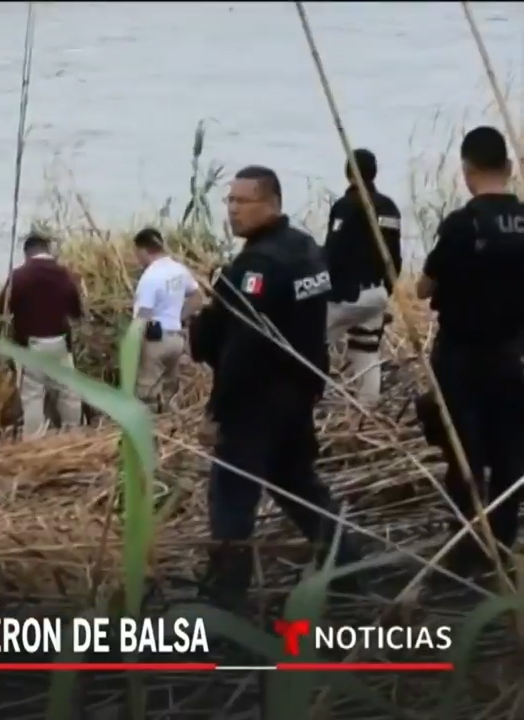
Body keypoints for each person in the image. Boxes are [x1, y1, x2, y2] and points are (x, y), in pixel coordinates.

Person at [190, 166, 360, 608]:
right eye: (228, 201)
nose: (232, 210)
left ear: (271, 203)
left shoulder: (258, 266)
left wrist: (216, 411)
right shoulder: (306, 250)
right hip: (298, 394)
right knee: (297, 483)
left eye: (242, 202)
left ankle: (225, 597)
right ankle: (346, 563)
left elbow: (241, 349)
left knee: (231, 503)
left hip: (256, 403)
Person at [415, 126, 523, 577]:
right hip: (512, 355)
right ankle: (501, 540)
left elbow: (425, 286)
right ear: (510, 168)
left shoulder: (462, 224)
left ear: (466, 171)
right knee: (510, 454)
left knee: (465, 453)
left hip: (461, 355)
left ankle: (466, 547)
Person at [324, 148, 403, 408]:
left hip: (348, 294)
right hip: (378, 293)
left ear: (348, 174)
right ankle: (368, 410)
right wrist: (388, 290)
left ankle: (311, 399)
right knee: (366, 351)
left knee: (313, 343)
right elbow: (395, 257)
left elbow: (333, 253)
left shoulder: (346, 206)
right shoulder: (389, 207)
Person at [0, 232, 84, 436]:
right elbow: (76, 312)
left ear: (27, 253)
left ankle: (35, 440)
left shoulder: (19, 276)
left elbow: (1, 309)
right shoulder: (64, 274)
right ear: (47, 250)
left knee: (33, 395)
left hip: (31, 345)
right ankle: (74, 435)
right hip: (60, 343)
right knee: (68, 391)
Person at [131, 228, 202, 407]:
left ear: (143, 250)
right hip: (176, 339)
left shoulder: (150, 277)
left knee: (147, 391)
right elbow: (197, 298)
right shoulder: (179, 270)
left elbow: (143, 315)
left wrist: (132, 345)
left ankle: (149, 429)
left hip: (155, 340)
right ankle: (171, 425)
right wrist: (179, 316)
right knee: (170, 388)